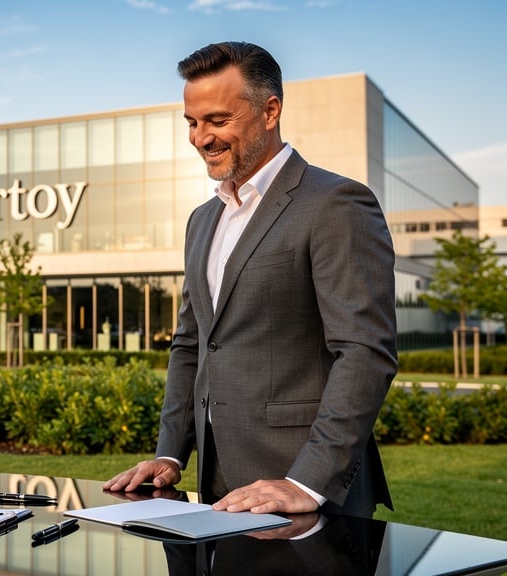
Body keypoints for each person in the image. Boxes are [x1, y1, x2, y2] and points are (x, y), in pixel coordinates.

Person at [104, 41, 397, 518]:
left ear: (270, 111)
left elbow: (364, 352)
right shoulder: (202, 220)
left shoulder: (336, 203)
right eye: (193, 123)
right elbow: (191, 343)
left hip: (305, 493)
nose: (202, 138)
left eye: (218, 121)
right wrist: (170, 453)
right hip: (218, 488)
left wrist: (308, 480)